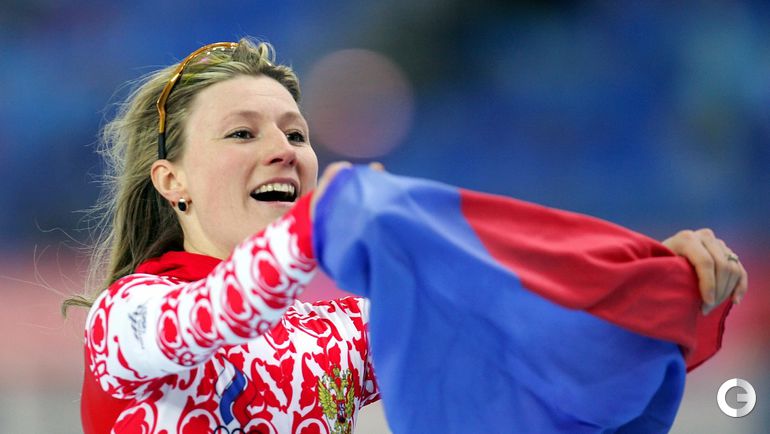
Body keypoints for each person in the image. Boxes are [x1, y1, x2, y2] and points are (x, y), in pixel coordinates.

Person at [64, 37, 748, 433]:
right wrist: (316, 227)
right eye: (242, 133)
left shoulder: (335, 333)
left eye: (296, 135)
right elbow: (214, 314)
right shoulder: (127, 318)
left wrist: (651, 282)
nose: (282, 151)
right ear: (172, 181)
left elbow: (511, 327)